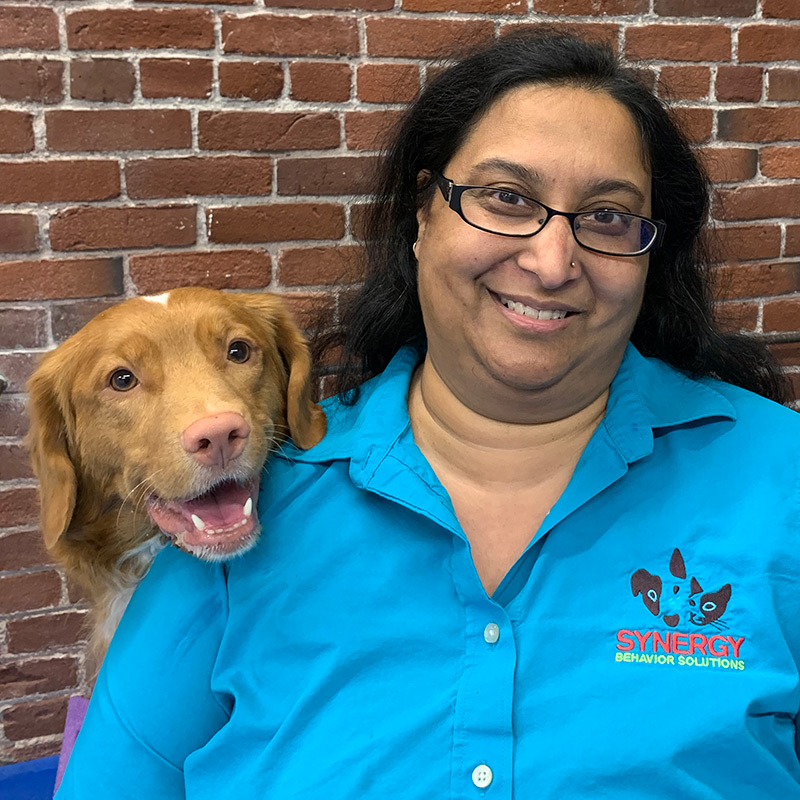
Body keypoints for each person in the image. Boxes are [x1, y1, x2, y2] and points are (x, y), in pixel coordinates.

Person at [57, 31, 800, 798]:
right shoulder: (247, 507)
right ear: (423, 216)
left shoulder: (783, 479)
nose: (551, 263)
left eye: (609, 217)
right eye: (507, 198)